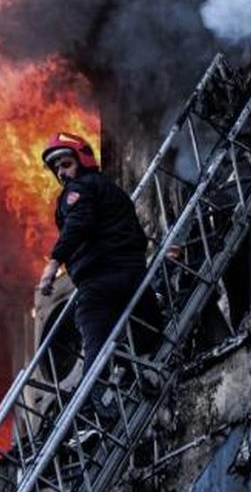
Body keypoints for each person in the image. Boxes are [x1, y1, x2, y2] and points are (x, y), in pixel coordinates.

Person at [36, 132, 161, 424]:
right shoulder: (111, 191)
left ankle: (91, 409)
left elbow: (77, 224)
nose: (61, 174)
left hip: (99, 282)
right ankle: (132, 370)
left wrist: (52, 265)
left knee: (94, 344)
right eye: (57, 169)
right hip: (133, 277)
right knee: (151, 330)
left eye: (66, 164)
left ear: (83, 159)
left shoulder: (78, 191)